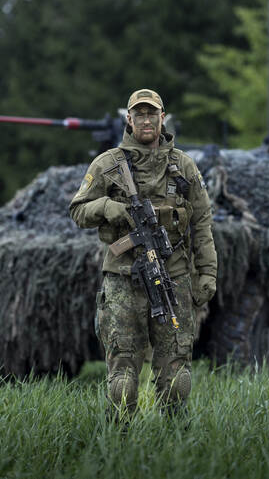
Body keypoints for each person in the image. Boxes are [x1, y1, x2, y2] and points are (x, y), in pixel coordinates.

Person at [69, 88, 217, 419]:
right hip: (123, 278)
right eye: (140, 114)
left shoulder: (183, 166)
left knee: (177, 377)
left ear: (162, 118)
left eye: (152, 114)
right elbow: (78, 210)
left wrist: (207, 272)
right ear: (129, 119)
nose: (146, 120)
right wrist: (107, 207)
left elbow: (202, 223)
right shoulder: (108, 164)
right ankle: (119, 439)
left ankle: (175, 439)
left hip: (173, 276)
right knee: (122, 379)